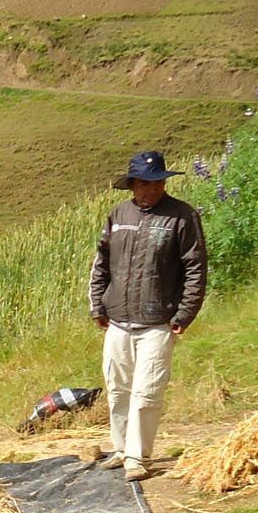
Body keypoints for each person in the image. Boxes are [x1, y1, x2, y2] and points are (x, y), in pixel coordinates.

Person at [89, 150, 208, 483]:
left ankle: (137, 458)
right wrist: (98, 305)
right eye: (144, 183)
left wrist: (186, 312)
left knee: (146, 392)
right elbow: (101, 264)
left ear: (163, 183)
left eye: (156, 183)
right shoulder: (118, 215)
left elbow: (196, 268)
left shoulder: (182, 216)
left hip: (158, 320)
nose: (150, 190)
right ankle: (121, 449)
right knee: (118, 389)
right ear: (132, 185)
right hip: (118, 319)